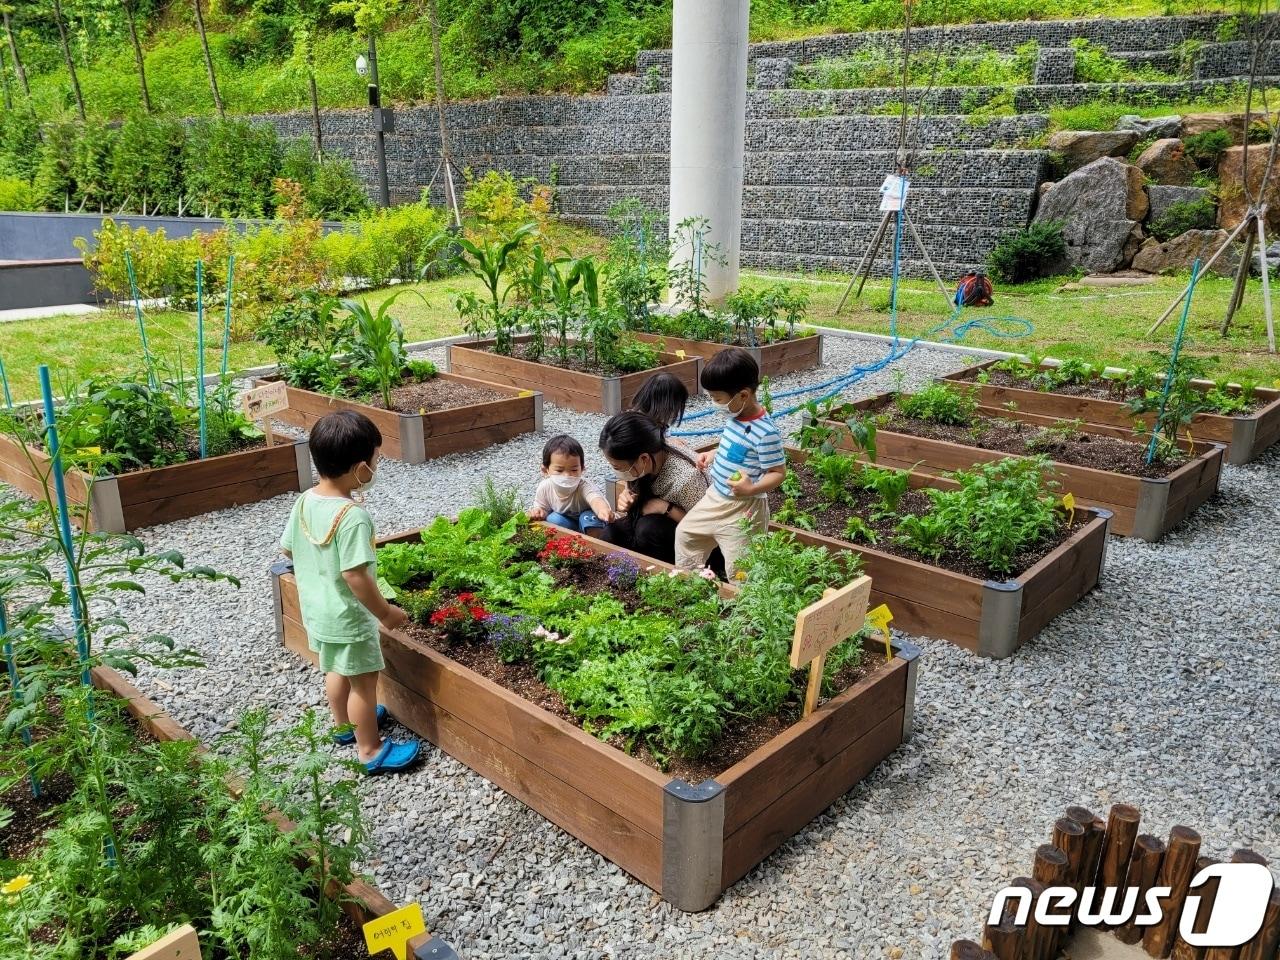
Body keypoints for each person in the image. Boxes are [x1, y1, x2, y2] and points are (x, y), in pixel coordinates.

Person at [280, 410, 422, 775]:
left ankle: (343, 727)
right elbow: (356, 576)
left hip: (318, 610)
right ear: (360, 468)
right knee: (364, 684)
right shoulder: (352, 516)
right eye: (376, 459)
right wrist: (386, 613)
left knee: (336, 670)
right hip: (348, 618)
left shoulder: (305, 501)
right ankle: (370, 749)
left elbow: (288, 549)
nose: (377, 465)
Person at [675, 348, 786, 576]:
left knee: (741, 568)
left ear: (743, 395)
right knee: (687, 535)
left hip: (743, 508)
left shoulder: (766, 433)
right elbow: (739, 447)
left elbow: (778, 472)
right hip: (715, 496)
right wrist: (715, 453)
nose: (714, 403)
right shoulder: (735, 416)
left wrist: (752, 488)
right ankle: (691, 586)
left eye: (717, 399)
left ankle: (742, 606)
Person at [528, 434, 612, 532]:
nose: (567, 475)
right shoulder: (545, 488)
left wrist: (602, 510)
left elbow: (595, 499)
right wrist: (539, 512)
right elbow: (542, 508)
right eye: (559, 471)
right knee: (552, 519)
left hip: (589, 523)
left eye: (574, 470)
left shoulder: (583, 486)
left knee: (587, 517)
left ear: (582, 469)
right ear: (545, 470)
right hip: (567, 524)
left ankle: (597, 544)